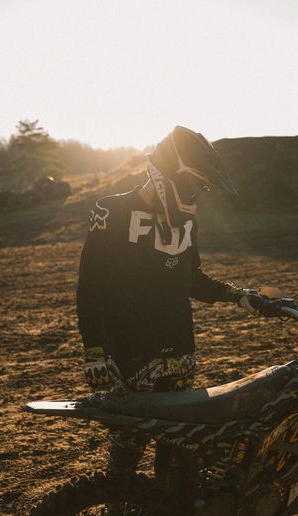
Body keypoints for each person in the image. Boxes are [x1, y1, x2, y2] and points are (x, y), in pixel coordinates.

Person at [76, 125, 275, 476]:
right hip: (131, 356)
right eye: (193, 184)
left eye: (200, 188)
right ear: (169, 172)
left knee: (178, 455)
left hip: (181, 354)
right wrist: (94, 350)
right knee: (125, 455)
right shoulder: (112, 212)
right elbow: (92, 286)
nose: (195, 194)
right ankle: (115, 510)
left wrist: (237, 295)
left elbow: (191, 279)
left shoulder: (187, 223)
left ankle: (169, 510)